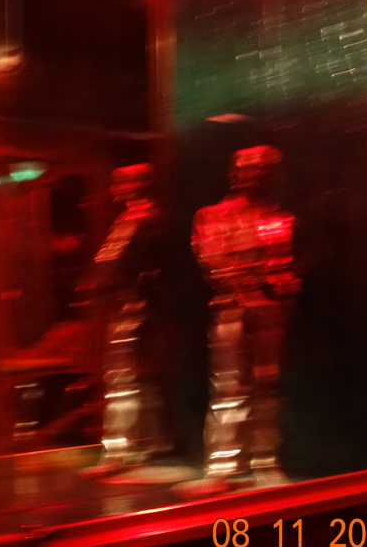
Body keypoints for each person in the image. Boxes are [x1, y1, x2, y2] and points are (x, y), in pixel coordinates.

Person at [187, 145, 298, 496]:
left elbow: (284, 266)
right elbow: (214, 263)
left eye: (265, 170)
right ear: (235, 173)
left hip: (268, 312)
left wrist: (279, 284)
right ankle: (222, 467)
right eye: (250, 169)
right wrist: (257, 280)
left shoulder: (280, 218)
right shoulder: (210, 216)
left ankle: (265, 462)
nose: (257, 176)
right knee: (228, 389)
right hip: (232, 310)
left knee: (267, 388)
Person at [76, 164, 168, 479]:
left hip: (134, 307)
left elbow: (144, 268)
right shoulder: (130, 218)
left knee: (123, 382)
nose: (115, 189)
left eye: (123, 183)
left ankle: (119, 451)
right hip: (127, 305)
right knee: (132, 381)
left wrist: (133, 298)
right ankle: (148, 443)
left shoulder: (146, 219)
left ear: (140, 184)